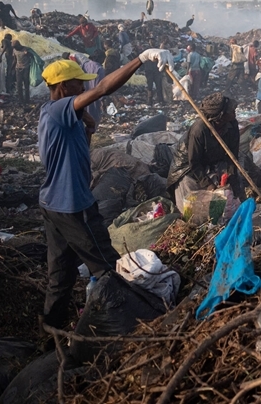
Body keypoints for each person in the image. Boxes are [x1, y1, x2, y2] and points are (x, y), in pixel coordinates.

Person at [37, 48, 172, 330]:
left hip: (52, 205)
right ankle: (122, 325)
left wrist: (86, 125)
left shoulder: (58, 115)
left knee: (60, 274)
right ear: (63, 88)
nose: (84, 87)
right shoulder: (60, 110)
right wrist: (141, 59)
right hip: (74, 206)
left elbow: (79, 152)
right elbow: (103, 89)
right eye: (78, 84)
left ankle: (52, 329)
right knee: (108, 267)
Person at [167, 93, 246, 213]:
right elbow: (194, 163)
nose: (234, 112)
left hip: (213, 160)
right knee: (192, 203)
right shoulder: (199, 130)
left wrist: (232, 178)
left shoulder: (232, 124)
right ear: (220, 116)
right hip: (187, 167)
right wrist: (208, 184)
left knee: (232, 189)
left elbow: (232, 155)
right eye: (231, 111)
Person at [69, 53, 106, 125]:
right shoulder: (100, 69)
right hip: (94, 95)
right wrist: (102, 100)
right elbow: (101, 85)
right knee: (94, 114)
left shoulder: (85, 64)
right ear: (102, 59)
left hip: (83, 93)